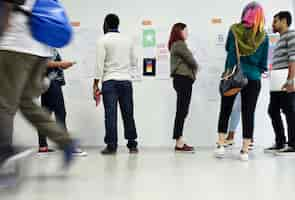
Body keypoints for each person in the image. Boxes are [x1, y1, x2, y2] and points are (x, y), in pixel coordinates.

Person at [0, 0, 76, 172]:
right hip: (41, 49)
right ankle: (65, 141)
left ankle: (4, 154)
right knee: (25, 102)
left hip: (14, 44)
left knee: (4, 104)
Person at [215, 1, 269, 161]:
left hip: (231, 75)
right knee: (248, 112)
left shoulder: (233, 30)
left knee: (225, 109)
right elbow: (263, 64)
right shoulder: (263, 36)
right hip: (253, 78)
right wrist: (253, 71)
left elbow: (227, 48)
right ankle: (245, 150)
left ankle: (220, 144)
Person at [93, 14, 139, 155]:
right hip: (126, 81)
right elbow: (134, 61)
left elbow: (99, 65)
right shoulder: (127, 40)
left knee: (110, 115)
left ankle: (112, 146)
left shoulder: (102, 40)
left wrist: (95, 85)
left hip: (109, 82)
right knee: (128, 114)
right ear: (118, 24)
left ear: (106, 24)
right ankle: (132, 145)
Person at [37, 48, 87, 156]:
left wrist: (62, 65)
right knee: (60, 113)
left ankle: (43, 146)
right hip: (51, 83)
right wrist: (62, 63)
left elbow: (49, 63)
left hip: (46, 83)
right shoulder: (44, 46)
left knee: (45, 114)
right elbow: (45, 63)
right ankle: (67, 146)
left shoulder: (47, 46)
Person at [264, 11, 295, 155]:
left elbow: (293, 60)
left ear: (284, 21)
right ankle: (280, 142)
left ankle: (293, 144)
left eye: (275, 21)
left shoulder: (291, 35)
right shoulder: (280, 39)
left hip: (285, 80)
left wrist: (290, 80)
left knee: (290, 111)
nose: (272, 24)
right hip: (276, 82)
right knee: (273, 110)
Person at [168, 23, 199, 152]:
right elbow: (191, 60)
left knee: (182, 110)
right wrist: (196, 66)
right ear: (179, 32)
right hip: (183, 79)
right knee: (182, 111)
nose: (187, 33)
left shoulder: (176, 45)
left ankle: (179, 140)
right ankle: (179, 142)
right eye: (185, 31)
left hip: (181, 80)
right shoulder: (179, 44)